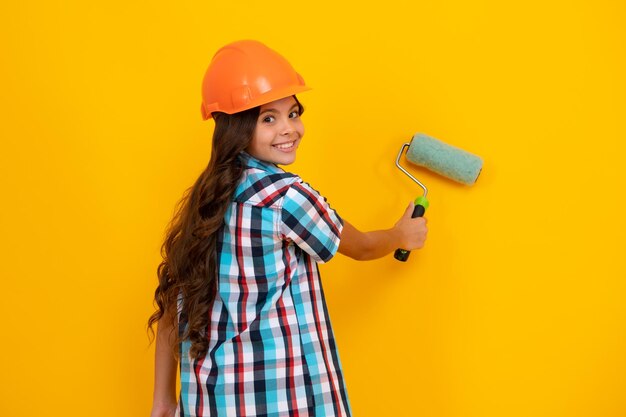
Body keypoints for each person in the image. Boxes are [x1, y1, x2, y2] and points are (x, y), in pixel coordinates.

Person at [148, 40, 428, 417]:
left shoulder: (207, 198)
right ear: (236, 126)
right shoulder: (286, 198)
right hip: (281, 400)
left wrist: (163, 401)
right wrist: (400, 235)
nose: (289, 129)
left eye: (293, 113)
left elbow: (172, 304)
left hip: (210, 401)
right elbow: (360, 247)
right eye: (269, 118)